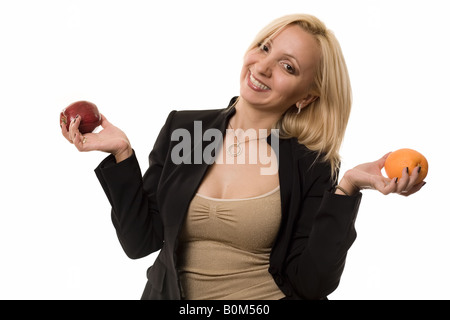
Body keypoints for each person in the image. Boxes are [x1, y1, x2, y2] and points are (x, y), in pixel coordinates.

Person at [61, 14, 425, 300]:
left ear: (306, 97)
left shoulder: (309, 163)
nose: (263, 67)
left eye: (288, 67)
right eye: (265, 48)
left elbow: (312, 283)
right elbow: (140, 242)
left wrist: (347, 189)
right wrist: (122, 154)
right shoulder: (188, 131)